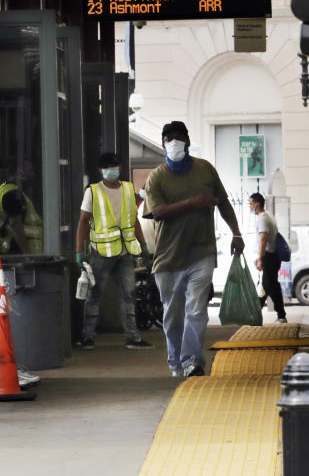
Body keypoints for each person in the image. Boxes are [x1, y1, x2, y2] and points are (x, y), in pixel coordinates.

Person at [143, 121, 244, 377]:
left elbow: (223, 202)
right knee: (173, 316)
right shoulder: (156, 177)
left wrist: (236, 232)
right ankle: (176, 361)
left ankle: (192, 362)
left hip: (202, 252)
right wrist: (192, 203)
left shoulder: (205, 170)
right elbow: (157, 213)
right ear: (163, 142)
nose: (174, 142)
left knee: (196, 310)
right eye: (169, 138)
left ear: (187, 140)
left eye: (178, 137)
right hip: (168, 258)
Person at [74, 152, 153, 350]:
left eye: (116, 166)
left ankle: (133, 338)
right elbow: (83, 221)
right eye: (109, 167)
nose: (113, 170)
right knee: (95, 294)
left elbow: (134, 219)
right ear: (101, 171)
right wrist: (79, 251)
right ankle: (87, 337)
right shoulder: (92, 191)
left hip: (125, 252)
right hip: (100, 252)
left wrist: (142, 244)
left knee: (129, 294)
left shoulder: (127, 189)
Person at [248, 192, 286, 324]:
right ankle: (255, 314)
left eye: (251, 203)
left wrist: (260, 258)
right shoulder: (268, 215)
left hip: (269, 256)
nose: (250, 206)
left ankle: (281, 315)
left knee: (271, 285)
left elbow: (263, 239)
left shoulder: (262, 218)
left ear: (257, 204)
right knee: (267, 284)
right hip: (273, 256)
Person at [0, 164, 42, 255]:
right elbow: (15, 224)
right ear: (20, 174)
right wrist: (26, 254)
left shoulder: (3, 190)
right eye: (30, 171)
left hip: (7, 251)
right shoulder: (13, 194)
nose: (33, 175)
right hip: (16, 254)